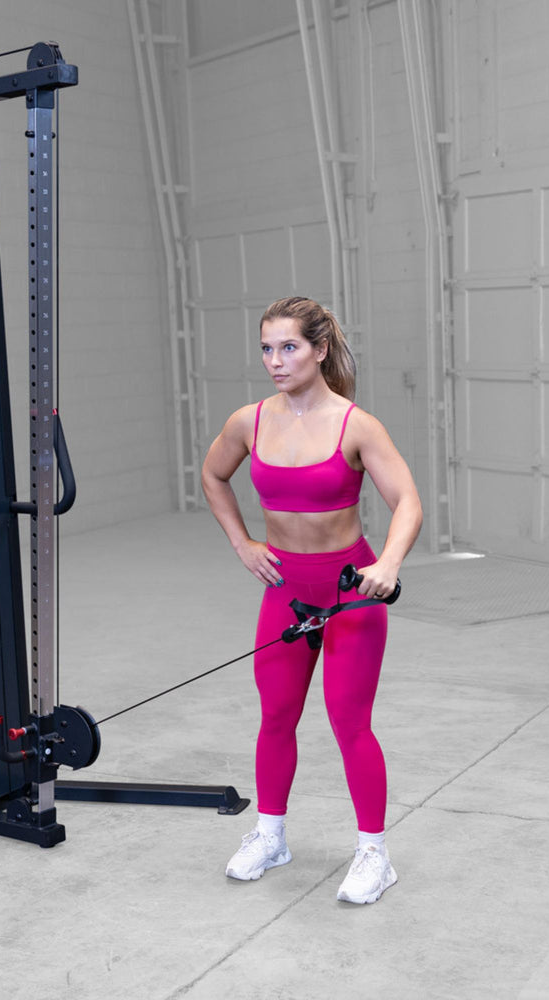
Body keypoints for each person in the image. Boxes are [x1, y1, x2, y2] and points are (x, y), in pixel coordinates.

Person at [201, 296, 422, 905]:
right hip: (285, 590)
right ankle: (271, 836)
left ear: (319, 350)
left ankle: (374, 854)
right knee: (276, 715)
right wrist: (243, 542)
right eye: (267, 349)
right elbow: (213, 475)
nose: (275, 361)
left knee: (350, 722)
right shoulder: (249, 421)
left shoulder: (357, 425)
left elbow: (407, 501)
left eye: (289, 347)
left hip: (350, 590)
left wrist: (388, 564)